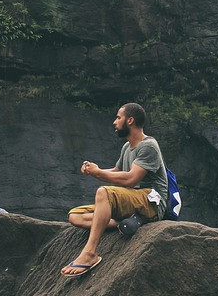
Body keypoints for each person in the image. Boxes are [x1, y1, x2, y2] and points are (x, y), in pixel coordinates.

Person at [60, 102, 168, 277]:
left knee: (104, 192)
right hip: (133, 200)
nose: (114, 122)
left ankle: (90, 254)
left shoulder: (148, 145)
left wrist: (99, 174)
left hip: (151, 201)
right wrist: (94, 171)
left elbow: (131, 178)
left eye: (118, 117)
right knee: (75, 216)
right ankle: (125, 222)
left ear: (130, 120)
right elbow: (117, 171)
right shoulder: (127, 147)